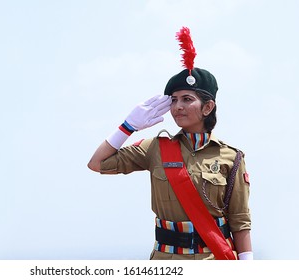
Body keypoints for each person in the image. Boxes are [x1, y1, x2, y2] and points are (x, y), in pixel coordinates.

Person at [87, 28, 252, 260]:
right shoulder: (155, 148)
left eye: (187, 99)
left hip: (214, 259)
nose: (177, 107)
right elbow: (97, 163)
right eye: (173, 100)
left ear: (208, 107)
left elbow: (240, 220)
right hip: (167, 259)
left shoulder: (231, 157)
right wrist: (128, 126)